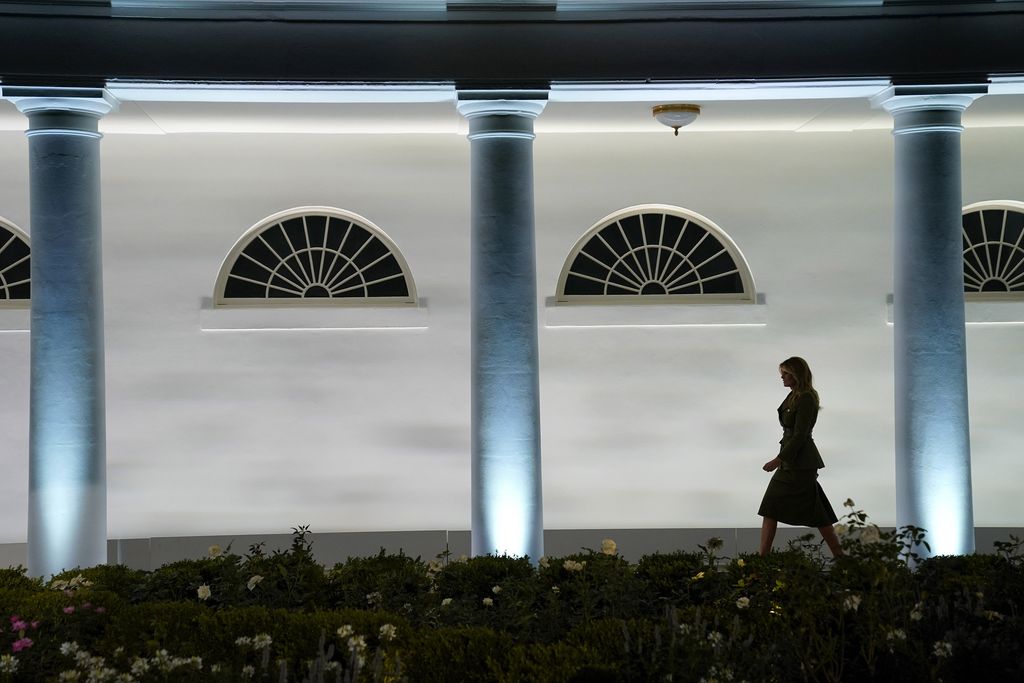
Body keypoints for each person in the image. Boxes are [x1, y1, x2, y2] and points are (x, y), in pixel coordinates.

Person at [758, 356, 842, 557]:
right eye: (782, 374)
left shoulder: (805, 397)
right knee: (809, 512)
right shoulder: (795, 395)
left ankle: (762, 560)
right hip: (794, 462)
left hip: (799, 462)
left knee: (773, 507)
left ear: (796, 374)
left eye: (786, 373)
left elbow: (800, 435)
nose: (782, 378)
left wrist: (778, 459)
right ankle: (842, 560)